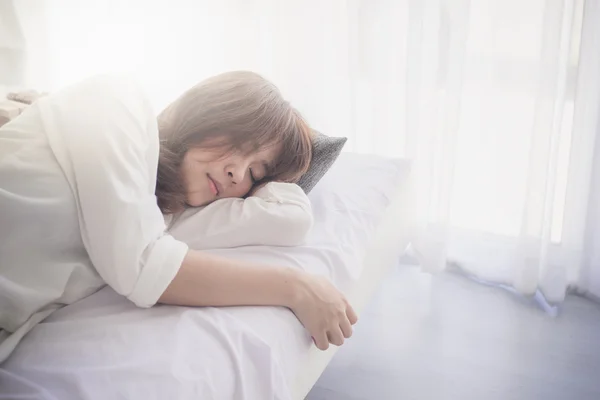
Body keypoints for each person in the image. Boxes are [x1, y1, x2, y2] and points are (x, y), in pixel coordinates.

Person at [0, 71, 357, 363]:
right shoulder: (116, 103)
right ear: (208, 111)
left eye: (255, 173)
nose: (238, 173)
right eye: (240, 145)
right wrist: (295, 286)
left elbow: (289, 219)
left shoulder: (164, 219)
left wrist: (277, 178)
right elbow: (143, 268)